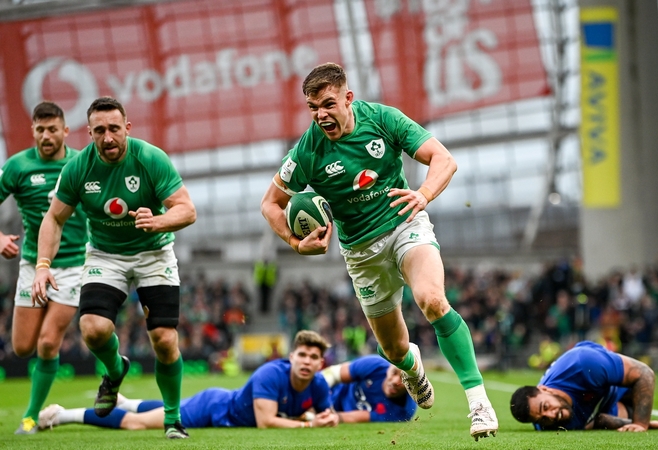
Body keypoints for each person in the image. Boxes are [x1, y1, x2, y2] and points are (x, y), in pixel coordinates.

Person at [260, 62, 498, 440]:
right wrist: (294, 242)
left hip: (405, 225)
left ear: (348, 98)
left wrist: (422, 194)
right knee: (393, 348)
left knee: (433, 300)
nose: (320, 114)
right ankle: (410, 366)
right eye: (312, 107)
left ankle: (478, 401)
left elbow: (444, 159)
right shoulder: (307, 151)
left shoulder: (383, 119)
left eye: (328, 103)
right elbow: (270, 203)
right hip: (360, 253)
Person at [31, 96, 197, 439]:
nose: (108, 137)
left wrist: (160, 221)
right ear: (89, 133)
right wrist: (42, 265)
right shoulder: (77, 168)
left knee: (164, 340)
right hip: (106, 255)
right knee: (92, 329)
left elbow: (187, 209)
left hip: (154, 253)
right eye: (100, 131)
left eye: (114, 129)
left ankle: (172, 418)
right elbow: (54, 218)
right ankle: (116, 368)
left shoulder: (150, 158)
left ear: (127, 128)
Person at [36, 330, 338, 431]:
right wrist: (310, 423)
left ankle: (127, 401)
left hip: (219, 407)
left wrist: (329, 418)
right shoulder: (271, 373)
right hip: (214, 409)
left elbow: (328, 413)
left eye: (314, 358)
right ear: (292, 356)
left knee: (161, 407)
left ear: (321, 363)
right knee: (135, 424)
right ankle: (63, 416)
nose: (307, 361)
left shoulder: (320, 384)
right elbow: (266, 422)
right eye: (302, 354)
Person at [2, 102, 89, 435]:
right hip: (31, 265)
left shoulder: (81, 162)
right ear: (33, 132)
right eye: (40, 130)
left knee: (48, 344)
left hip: (74, 266)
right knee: (22, 347)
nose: (46, 135)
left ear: (65, 131)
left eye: (53, 129)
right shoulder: (18, 166)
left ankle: (31, 415)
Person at [509, 341, 658, 431]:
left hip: (604, 379)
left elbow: (645, 373)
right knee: (623, 412)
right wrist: (647, 424)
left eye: (545, 406)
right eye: (542, 418)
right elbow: (598, 421)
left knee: (637, 386)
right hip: (600, 403)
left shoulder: (583, 364)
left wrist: (641, 424)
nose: (551, 415)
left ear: (544, 389)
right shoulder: (547, 425)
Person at [323, 355, 416, 423]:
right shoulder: (375, 364)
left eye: (404, 379)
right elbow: (333, 373)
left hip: (337, 411)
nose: (396, 381)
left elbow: (358, 417)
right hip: (327, 393)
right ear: (389, 367)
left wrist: (329, 416)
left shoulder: (404, 410)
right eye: (394, 372)